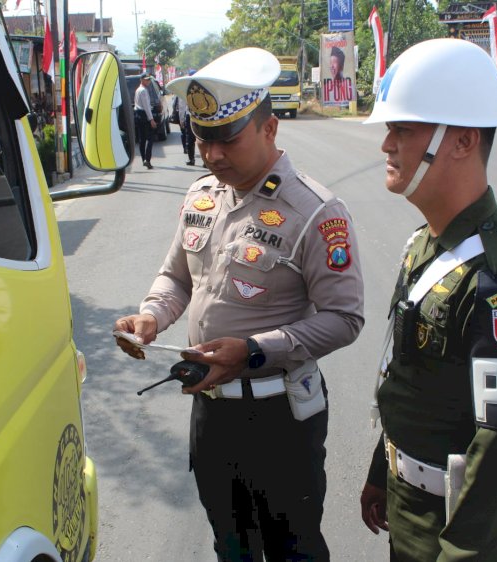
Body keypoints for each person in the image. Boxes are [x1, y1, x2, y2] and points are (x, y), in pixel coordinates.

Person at [114, 47, 365, 561]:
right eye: (203, 139)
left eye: (227, 139)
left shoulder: (315, 212)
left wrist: (252, 351)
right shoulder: (202, 196)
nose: (213, 155)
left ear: (270, 130)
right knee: (231, 546)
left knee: (292, 549)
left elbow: (344, 319)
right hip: (211, 412)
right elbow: (176, 277)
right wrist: (151, 316)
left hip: (279, 418)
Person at [359, 38, 497, 562]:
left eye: (403, 128)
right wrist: (383, 471)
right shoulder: (428, 244)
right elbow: (410, 379)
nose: (387, 144)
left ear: (462, 140)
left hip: (467, 531)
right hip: (413, 507)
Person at [134, 72, 157, 169]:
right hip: (143, 115)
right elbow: (147, 106)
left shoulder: (138, 90)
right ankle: (147, 159)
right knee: (150, 138)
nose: (148, 81)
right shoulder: (143, 90)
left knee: (142, 139)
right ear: (142, 80)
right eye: (146, 79)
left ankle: (144, 159)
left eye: (149, 79)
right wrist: (151, 119)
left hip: (138, 114)